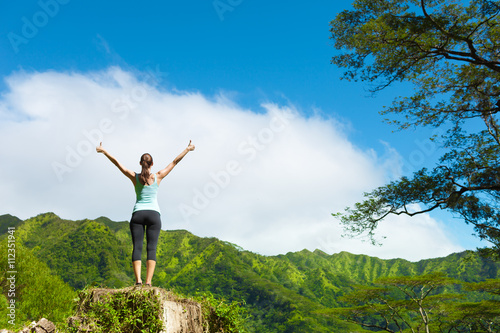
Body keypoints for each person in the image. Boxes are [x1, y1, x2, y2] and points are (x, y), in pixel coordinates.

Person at [96, 140, 195, 286]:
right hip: (154, 215)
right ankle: (148, 282)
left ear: (140, 163)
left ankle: (138, 281)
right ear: (152, 164)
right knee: (151, 248)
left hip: (138, 214)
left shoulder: (134, 177)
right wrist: (187, 149)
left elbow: (118, 164)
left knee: (137, 247)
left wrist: (104, 151)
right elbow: (174, 162)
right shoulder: (158, 176)